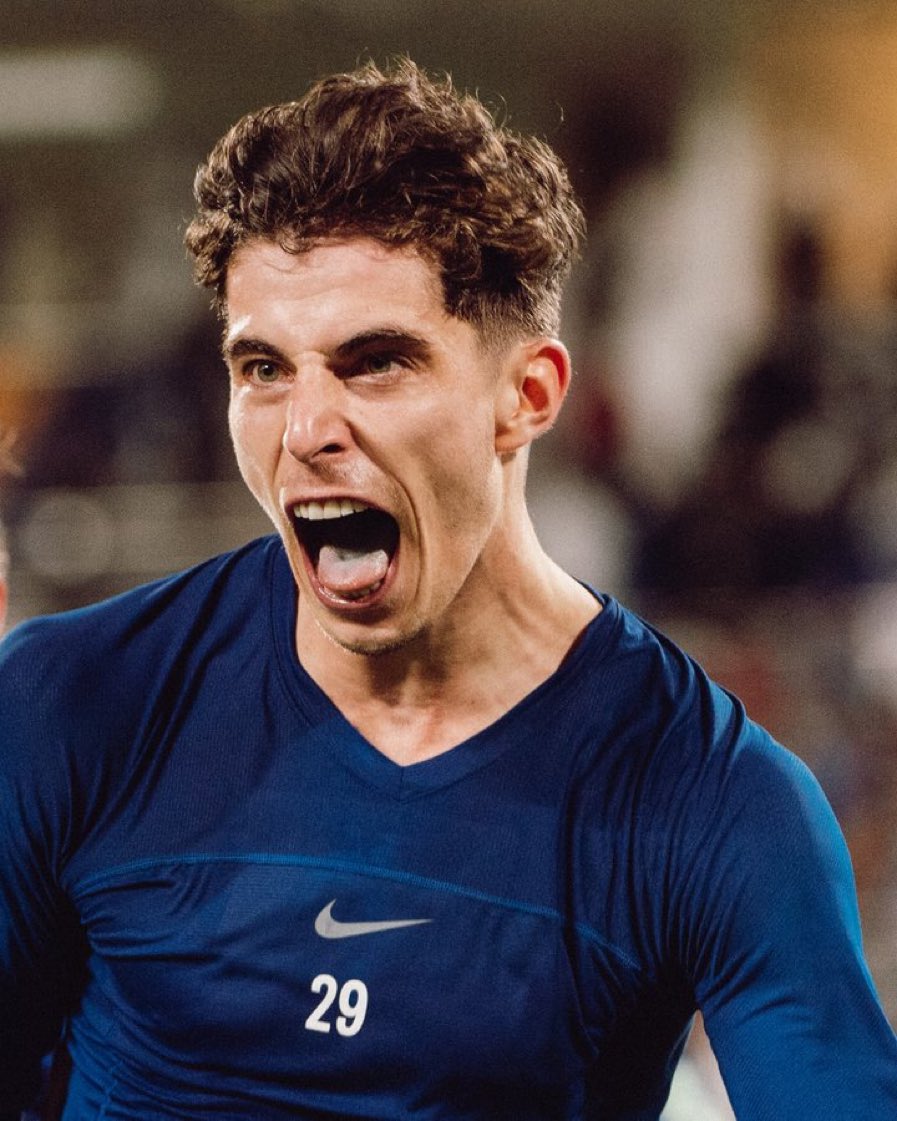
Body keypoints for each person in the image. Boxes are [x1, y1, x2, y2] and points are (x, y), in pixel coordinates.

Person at [1, 59, 895, 1121]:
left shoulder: (713, 805)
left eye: (375, 361)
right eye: (263, 367)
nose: (305, 429)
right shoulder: (73, 702)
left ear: (527, 395)